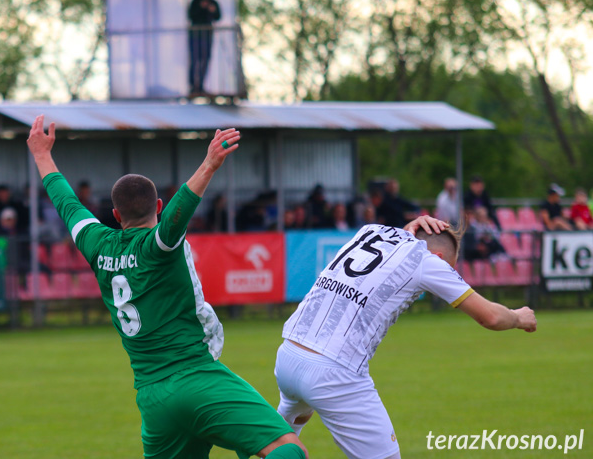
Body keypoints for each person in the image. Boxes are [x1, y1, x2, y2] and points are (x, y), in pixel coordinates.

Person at [27, 115, 307, 459]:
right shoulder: (157, 247)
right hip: (196, 377)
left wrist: (42, 155)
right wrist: (209, 163)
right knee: (288, 451)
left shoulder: (97, 243)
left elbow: (66, 203)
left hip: (153, 399)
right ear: (157, 206)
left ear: (115, 215)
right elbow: (180, 212)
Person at [275, 216, 537, 459]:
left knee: (289, 430)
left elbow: (402, 238)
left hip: (288, 354)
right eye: (450, 268)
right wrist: (518, 317)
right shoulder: (428, 260)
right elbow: (489, 317)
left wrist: (410, 226)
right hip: (334, 370)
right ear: (439, 256)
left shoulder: (370, 231)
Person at [187, 0, 222, 97]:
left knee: (205, 59)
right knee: (195, 59)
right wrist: (201, 7)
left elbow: (218, 16)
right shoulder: (196, 1)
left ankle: (201, 85)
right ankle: (193, 86)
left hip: (207, 34)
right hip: (196, 34)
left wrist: (212, 10)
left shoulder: (213, 2)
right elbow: (191, 15)